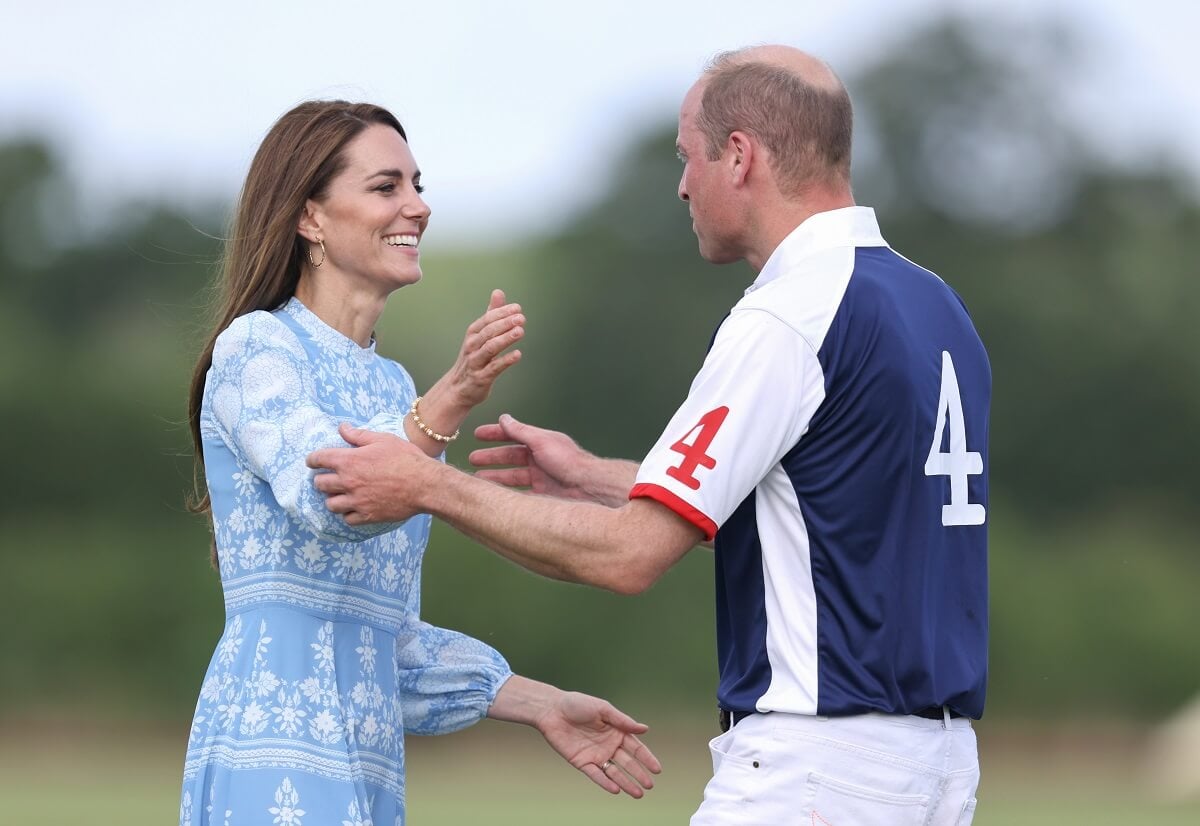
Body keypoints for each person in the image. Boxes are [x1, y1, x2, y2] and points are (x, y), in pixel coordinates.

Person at [308, 44, 989, 825]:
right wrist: (597, 476)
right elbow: (822, 519)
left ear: (740, 157)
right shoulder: (935, 306)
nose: (682, 184)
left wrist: (428, 483)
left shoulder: (788, 316)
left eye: (688, 156)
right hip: (937, 771)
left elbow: (630, 556)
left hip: (816, 773)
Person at [180, 100, 660, 826]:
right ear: (310, 217)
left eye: (417, 184)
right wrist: (455, 394)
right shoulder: (256, 349)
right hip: (269, 757)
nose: (418, 206)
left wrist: (540, 703)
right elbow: (330, 495)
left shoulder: (392, 389)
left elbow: (387, 641)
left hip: (370, 775)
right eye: (386, 187)